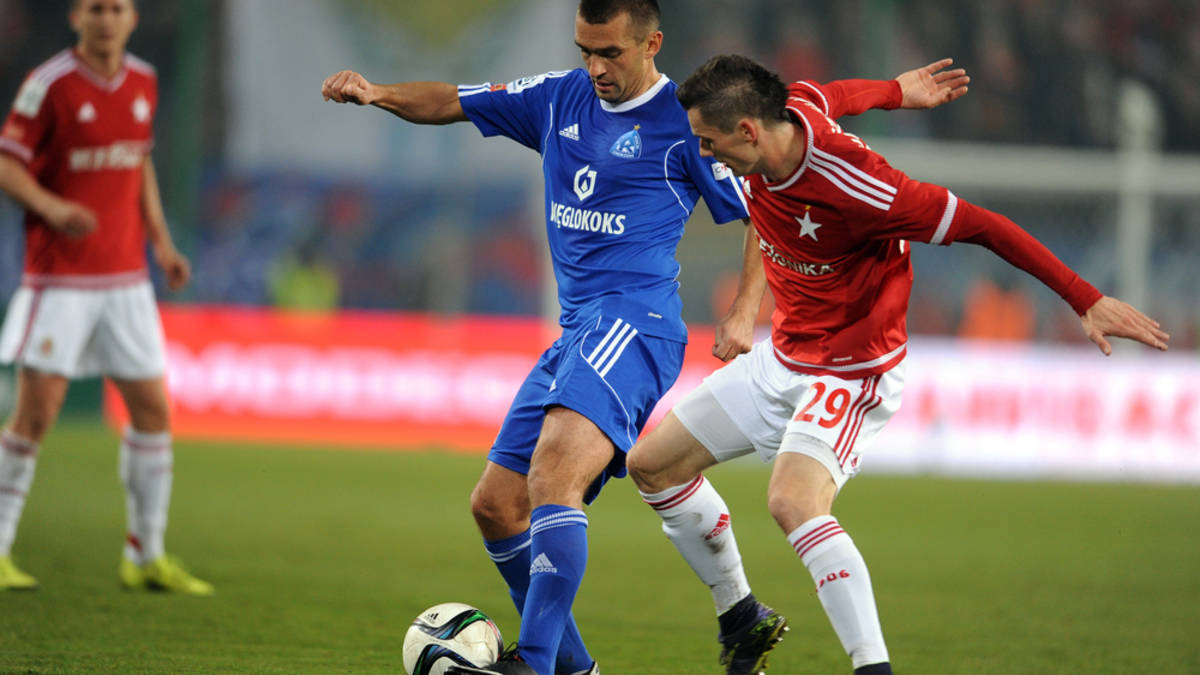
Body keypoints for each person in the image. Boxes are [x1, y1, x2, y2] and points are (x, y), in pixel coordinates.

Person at [625, 53, 1170, 675]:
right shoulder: (788, 112)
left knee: (793, 502)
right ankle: (743, 620)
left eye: (709, 140)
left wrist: (1085, 298)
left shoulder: (861, 187)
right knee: (653, 466)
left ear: (748, 130)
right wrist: (895, 91)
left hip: (852, 368)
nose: (704, 153)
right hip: (784, 355)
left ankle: (873, 668)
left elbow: (985, 226)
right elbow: (833, 96)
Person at [0, 0, 211, 595]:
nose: (106, 19)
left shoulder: (143, 81)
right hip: (60, 281)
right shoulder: (48, 85)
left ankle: (145, 555)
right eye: (95, 9)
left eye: (116, 8)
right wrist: (51, 207)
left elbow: (138, 162)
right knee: (34, 417)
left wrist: (162, 243)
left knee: (152, 412)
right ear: (77, 17)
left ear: (132, 18)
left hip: (126, 281)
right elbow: (8, 165)